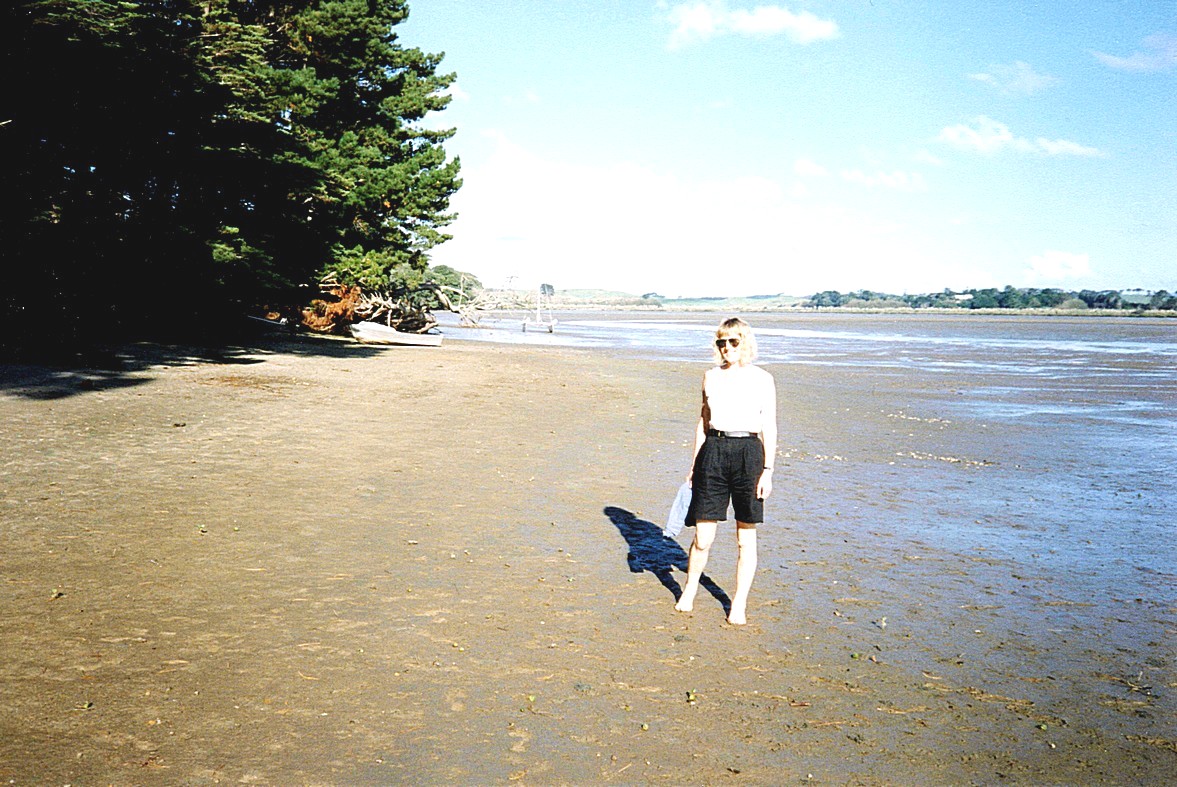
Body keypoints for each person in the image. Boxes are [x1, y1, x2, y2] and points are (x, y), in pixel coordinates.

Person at [675, 317, 777, 625]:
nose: (727, 347)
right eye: (722, 342)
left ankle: (739, 603)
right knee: (703, 537)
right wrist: (694, 465)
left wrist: (768, 470)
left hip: (749, 454)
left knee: (745, 537)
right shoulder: (710, 377)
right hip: (714, 452)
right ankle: (689, 589)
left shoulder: (762, 379)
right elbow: (703, 423)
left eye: (733, 341)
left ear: (745, 343)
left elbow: (770, 426)